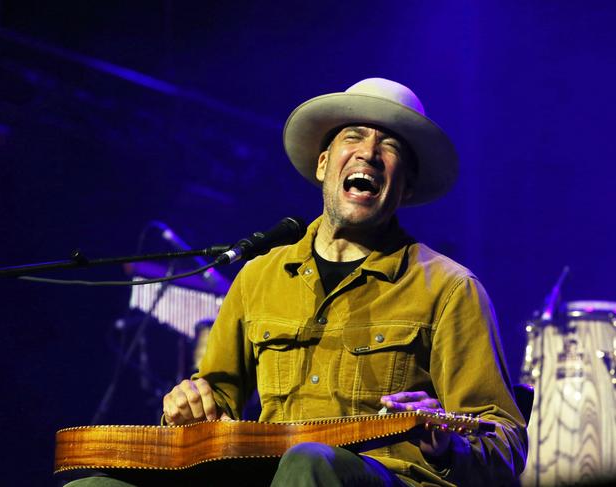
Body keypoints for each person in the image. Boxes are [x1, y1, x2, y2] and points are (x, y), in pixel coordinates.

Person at [161, 78, 527, 486]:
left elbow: (505, 446)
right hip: (271, 475)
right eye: (354, 136)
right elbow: (214, 406)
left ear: (404, 187)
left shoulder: (450, 288)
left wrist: (445, 442)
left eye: (390, 146)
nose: (369, 152)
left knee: (309, 462)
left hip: (386, 478)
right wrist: (188, 407)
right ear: (323, 164)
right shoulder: (258, 276)